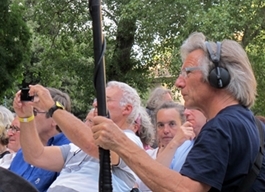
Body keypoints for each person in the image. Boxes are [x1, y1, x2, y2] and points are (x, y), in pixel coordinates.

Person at [92, 32, 265, 191]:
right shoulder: (246, 120)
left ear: (217, 76)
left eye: (187, 73)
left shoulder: (221, 127)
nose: (178, 83)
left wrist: (120, 142)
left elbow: (184, 189)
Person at [13, 81, 144, 191]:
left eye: (105, 99)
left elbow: (94, 146)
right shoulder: (76, 148)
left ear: (126, 109)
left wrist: (51, 106)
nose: (95, 104)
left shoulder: (131, 141)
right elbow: (35, 156)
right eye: (96, 99)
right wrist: (26, 116)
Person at [9, 87, 71, 192]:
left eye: (34, 111)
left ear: (55, 119)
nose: (27, 114)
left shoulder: (71, 152)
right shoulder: (23, 152)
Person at [136, 101, 194, 192]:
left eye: (172, 124)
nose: (166, 130)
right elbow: (145, 186)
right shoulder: (148, 155)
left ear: (183, 124)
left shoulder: (192, 152)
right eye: (161, 125)